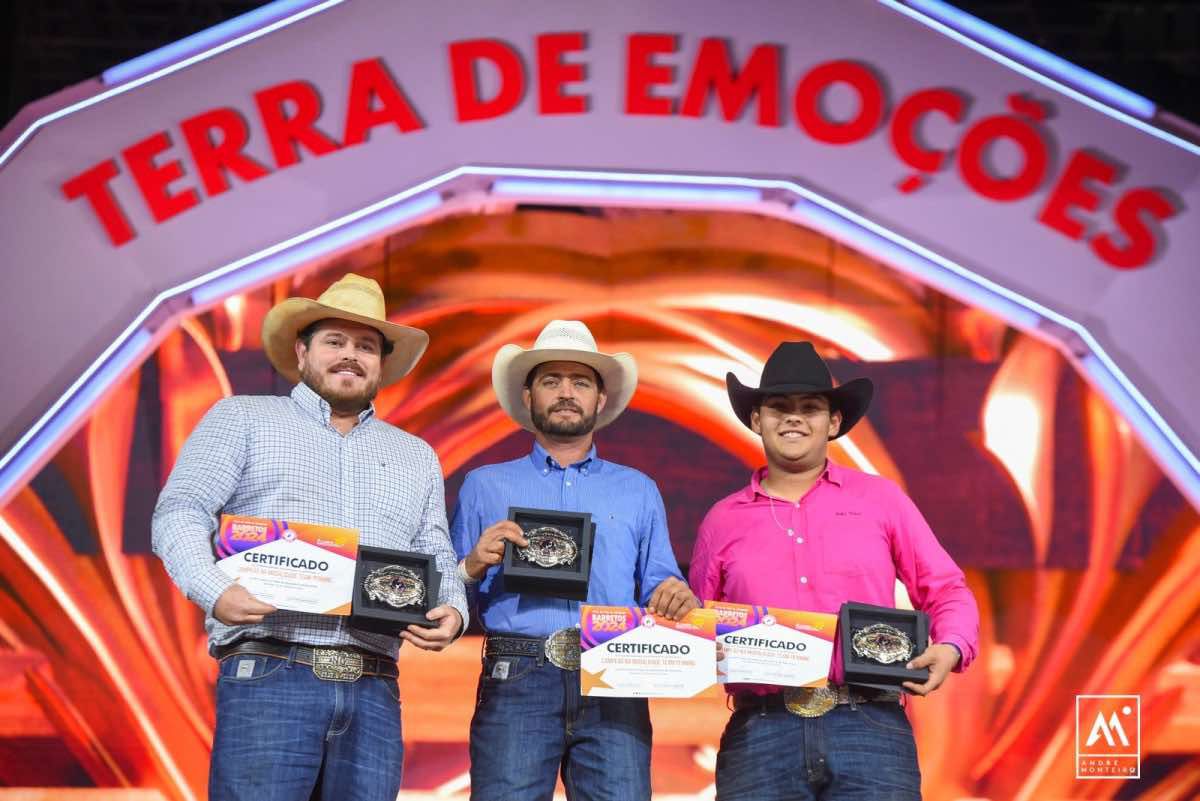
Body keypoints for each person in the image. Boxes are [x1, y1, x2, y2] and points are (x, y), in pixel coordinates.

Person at [152, 273, 468, 801]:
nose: (351, 356)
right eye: (335, 342)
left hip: (374, 686)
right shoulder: (243, 419)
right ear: (302, 352)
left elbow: (434, 551)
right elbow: (180, 509)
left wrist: (453, 611)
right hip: (270, 671)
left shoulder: (416, 455)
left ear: (381, 364)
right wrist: (212, 588)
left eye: (365, 346)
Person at [689, 341, 980, 801]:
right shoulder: (721, 521)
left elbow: (946, 588)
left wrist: (950, 647)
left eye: (810, 407)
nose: (793, 418)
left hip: (871, 727)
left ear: (835, 422)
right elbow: (697, 627)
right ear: (756, 419)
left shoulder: (881, 501)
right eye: (778, 407)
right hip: (761, 732)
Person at [450, 320, 698, 801]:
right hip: (517, 673)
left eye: (581, 382)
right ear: (528, 395)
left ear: (600, 400)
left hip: (614, 668)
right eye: (551, 381)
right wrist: (474, 564)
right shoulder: (484, 484)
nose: (566, 393)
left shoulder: (638, 489)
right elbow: (447, 598)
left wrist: (677, 595)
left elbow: (660, 585)